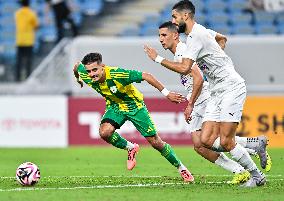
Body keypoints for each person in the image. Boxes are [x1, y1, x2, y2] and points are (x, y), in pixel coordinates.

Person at [144, 0, 266, 187]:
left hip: (230, 87)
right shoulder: (200, 33)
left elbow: (186, 69)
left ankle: (256, 176)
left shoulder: (196, 37)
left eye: (175, 17)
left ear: (185, 16)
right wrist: (215, 55)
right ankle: (253, 145)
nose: (173, 21)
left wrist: (157, 59)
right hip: (217, 91)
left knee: (225, 141)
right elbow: (222, 38)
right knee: (205, 140)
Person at [73, 52, 194, 182]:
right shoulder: (86, 74)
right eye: (89, 71)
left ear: (102, 66)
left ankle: (181, 168)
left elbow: (147, 76)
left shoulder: (118, 74)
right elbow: (76, 66)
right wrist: (78, 79)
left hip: (135, 107)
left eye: (95, 70)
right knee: (104, 132)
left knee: (155, 142)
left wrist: (167, 93)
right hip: (115, 107)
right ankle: (131, 148)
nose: (92, 74)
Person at [15, 0, 39, 81]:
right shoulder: (32, 13)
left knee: (19, 61)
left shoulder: (17, 13)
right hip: (29, 41)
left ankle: (17, 79)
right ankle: (28, 78)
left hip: (20, 40)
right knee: (28, 61)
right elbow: (36, 26)